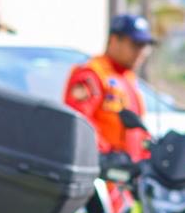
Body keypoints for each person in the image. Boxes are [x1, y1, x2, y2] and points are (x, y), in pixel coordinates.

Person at [63, 13, 156, 161]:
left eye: (145, 46)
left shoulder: (127, 77)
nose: (141, 52)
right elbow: (79, 125)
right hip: (102, 173)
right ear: (114, 40)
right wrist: (105, 155)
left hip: (129, 174)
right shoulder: (92, 74)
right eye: (135, 44)